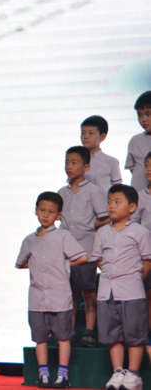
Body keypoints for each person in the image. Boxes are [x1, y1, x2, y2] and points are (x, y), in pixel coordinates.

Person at [16, 191, 88, 388]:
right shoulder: (29, 240)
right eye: (42, 210)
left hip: (59, 297)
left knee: (63, 337)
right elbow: (20, 263)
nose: (45, 215)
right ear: (36, 211)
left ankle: (63, 374)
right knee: (40, 338)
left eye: (50, 212)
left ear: (58, 215)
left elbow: (82, 257)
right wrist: (38, 265)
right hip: (37, 298)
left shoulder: (63, 236)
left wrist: (62, 264)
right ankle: (44, 373)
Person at [92, 184, 151, 390]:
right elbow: (99, 259)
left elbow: (147, 261)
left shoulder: (140, 232)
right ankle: (118, 372)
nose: (111, 206)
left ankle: (133, 375)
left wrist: (133, 279)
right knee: (112, 335)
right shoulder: (102, 232)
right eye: (109, 201)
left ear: (132, 207)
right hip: (107, 290)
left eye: (117, 202)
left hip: (132, 291)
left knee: (135, 335)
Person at [58, 146, 109, 347]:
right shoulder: (61, 193)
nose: (69, 166)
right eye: (66, 162)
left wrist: (89, 225)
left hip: (86, 250)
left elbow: (105, 218)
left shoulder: (94, 191)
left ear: (86, 167)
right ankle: (69, 332)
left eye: (74, 162)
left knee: (88, 292)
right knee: (68, 293)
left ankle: (89, 332)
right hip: (65, 253)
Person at [130, 151, 151, 330]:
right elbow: (133, 225)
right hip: (146, 253)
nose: (148, 169)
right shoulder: (139, 196)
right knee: (148, 293)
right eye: (146, 165)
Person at [80, 115, 122, 190]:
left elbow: (117, 188)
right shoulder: (77, 160)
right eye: (83, 133)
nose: (85, 137)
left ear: (102, 137)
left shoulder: (111, 162)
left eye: (90, 133)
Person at [126, 91, 151, 193]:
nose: (143, 119)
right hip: (138, 196)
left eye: (148, 114)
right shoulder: (135, 141)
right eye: (139, 115)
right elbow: (133, 169)